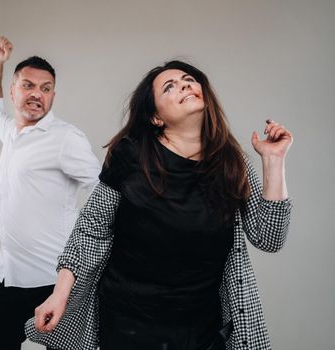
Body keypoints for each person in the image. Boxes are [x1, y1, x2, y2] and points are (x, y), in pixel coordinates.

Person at [26, 60, 293, 350]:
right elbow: (91, 229)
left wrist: (273, 161)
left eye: (188, 79)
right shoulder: (129, 155)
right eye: (170, 87)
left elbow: (269, 238)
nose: (184, 85)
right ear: (155, 116)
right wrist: (60, 293)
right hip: (128, 324)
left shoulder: (232, 163)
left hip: (200, 328)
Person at [0, 35, 101, 350]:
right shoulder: (11, 132)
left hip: (54, 281)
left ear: (53, 96)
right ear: (13, 91)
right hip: (7, 276)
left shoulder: (65, 138)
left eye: (46, 89)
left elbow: (103, 192)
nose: (37, 94)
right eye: (29, 86)